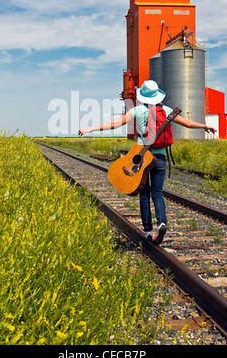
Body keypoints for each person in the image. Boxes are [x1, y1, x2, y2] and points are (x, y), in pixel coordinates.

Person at [78, 80, 215, 245]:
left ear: (142, 96)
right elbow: (187, 123)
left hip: (142, 158)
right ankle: (162, 222)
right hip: (160, 159)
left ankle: (148, 231)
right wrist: (204, 126)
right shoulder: (166, 110)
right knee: (157, 193)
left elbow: (115, 124)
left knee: (144, 193)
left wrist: (90, 129)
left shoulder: (138, 110)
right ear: (158, 95)